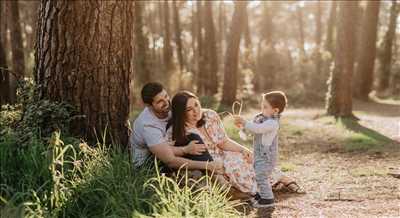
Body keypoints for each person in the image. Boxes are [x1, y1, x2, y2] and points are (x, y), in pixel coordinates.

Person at [166, 91, 257, 195]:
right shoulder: (176, 130)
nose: (196, 111)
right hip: (209, 162)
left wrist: (244, 150)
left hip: (224, 154)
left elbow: (223, 142)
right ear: (181, 113)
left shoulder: (210, 115)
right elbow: (168, 152)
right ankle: (254, 189)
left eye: (196, 104)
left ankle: (274, 181)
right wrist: (186, 149)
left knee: (248, 159)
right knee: (235, 167)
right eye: (189, 110)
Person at [129, 82, 223, 173]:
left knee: (191, 137)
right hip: (147, 165)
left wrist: (204, 112)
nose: (166, 102)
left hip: (165, 149)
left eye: (166, 96)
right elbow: (170, 160)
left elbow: (186, 111)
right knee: (193, 139)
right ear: (149, 105)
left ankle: (217, 177)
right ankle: (216, 175)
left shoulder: (166, 109)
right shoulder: (148, 126)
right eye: (160, 101)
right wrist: (207, 165)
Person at [234, 91, 287, 208]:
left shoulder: (272, 123)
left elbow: (258, 129)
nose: (262, 109)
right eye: (262, 106)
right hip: (259, 154)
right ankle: (261, 195)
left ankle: (268, 199)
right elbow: (253, 130)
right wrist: (243, 127)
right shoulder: (263, 119)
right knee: (257, 174)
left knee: (261, 176)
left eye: (265, 107)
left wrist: (245, 122)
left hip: (266, 157)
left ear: (275, 110)